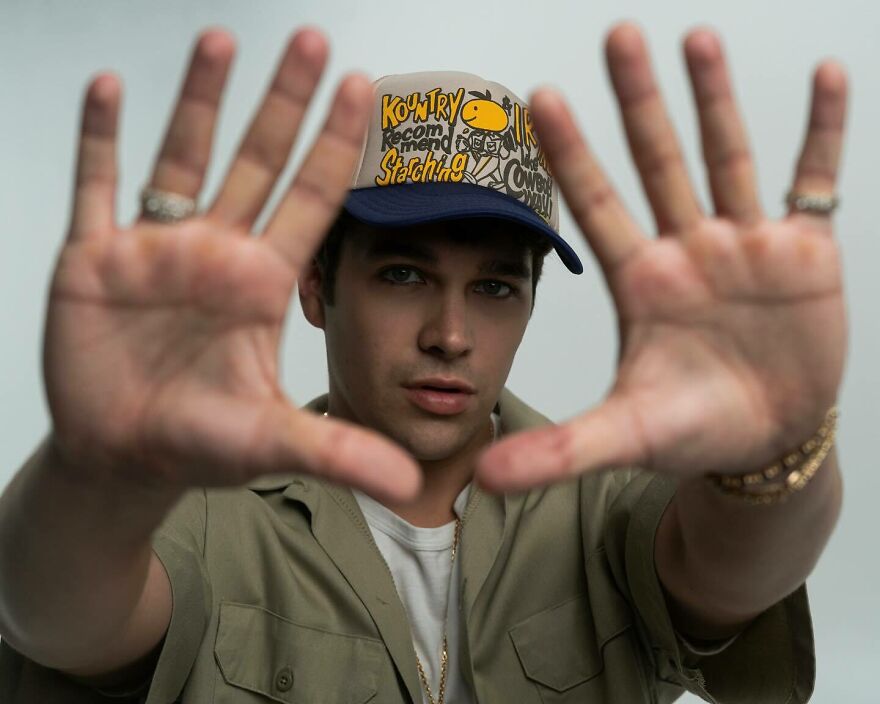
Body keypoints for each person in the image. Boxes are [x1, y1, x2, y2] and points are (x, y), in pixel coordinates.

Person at [0, 19, 847, 704]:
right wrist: (96, 470)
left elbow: (738, 567)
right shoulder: (199, 510)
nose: (451, 333)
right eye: (403, 274)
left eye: (494, 287)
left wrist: (777, 446)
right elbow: (53, 617)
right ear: (316, 286)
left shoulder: (605, 508)